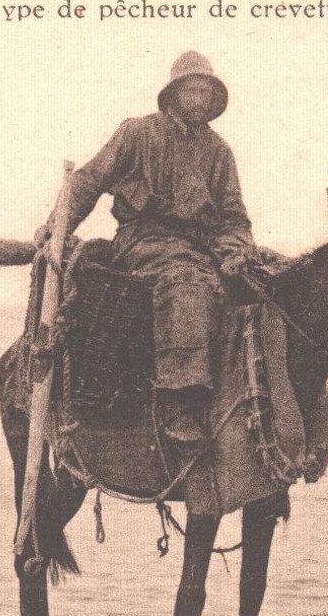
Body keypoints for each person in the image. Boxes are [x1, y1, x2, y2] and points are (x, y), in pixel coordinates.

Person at [42, 51, 256, 462]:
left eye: (205, 92)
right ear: (174, 94)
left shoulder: (220, 153)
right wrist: (57, 228)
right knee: (186, 284)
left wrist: (237, 252)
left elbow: (234, 217)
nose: (199, 99)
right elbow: (88, 181)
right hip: (144, 242)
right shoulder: (138, 133)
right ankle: (180, 400)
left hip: (204, 249)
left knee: (265, 279)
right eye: (191, 90)